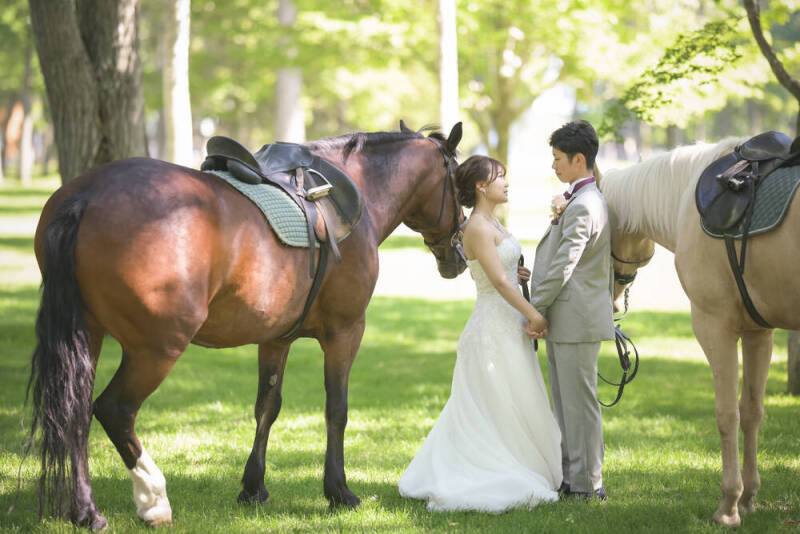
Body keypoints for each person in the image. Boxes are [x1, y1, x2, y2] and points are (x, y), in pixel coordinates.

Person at [398, 155, 562, 512]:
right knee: (495, 401)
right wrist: (534, 314)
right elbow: (498, 283)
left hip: (509, 323)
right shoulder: (476, 227)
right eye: (499, 176)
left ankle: (528, 460)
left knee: (516, 397)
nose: (506, 181)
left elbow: (496, 272)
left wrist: (517, 276)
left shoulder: (494, 222)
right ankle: (493, 467)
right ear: (480, 187)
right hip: (492, 327)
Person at [527, 120, 614, 501]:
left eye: (558, 158)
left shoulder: (584, 205)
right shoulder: (580, 200)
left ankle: (588, 483)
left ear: (580, 160)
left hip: (575, 320)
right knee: (566, 406)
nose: (554, 166)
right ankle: (570, 476)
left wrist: (534, 308)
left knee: (580, 407)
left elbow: (565, 265)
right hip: (567, 320)